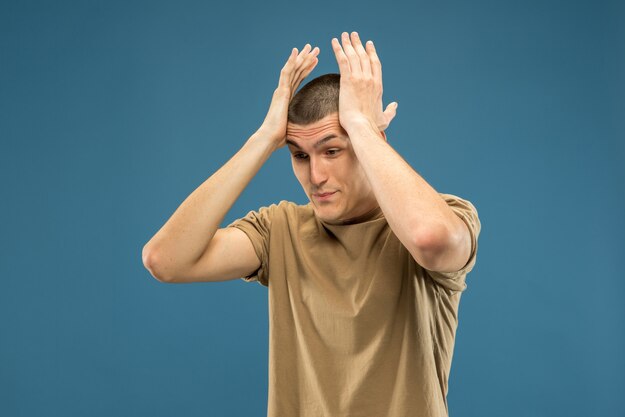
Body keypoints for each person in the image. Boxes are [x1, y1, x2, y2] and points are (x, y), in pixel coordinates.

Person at [142, 31, 481, 417]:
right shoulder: (279, 229)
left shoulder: (444, 214)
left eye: (332, 150)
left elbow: (431, 239)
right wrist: (264, 139)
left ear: (371, 139)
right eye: (299, 155)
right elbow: (164, 260)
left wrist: (363, 126)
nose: (315, 175)